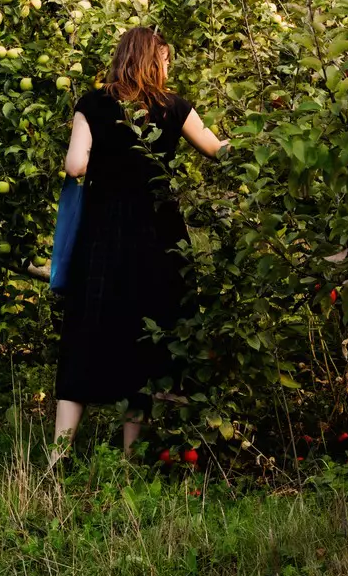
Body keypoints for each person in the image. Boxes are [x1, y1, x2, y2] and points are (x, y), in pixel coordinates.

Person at [51, 25, 221, 461]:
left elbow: (74, 166)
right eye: (165, 60)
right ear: (153, 61)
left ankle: (59, 455)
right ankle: (131, 461)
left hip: (101, 237)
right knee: (144, 338)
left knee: (86, 332)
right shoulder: (173, 108)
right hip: (157, 237)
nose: (167, 68)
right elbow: (217, 149)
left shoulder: (92, 104)